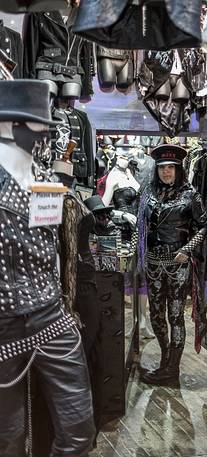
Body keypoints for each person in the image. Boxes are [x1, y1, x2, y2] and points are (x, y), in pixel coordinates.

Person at [0, 79, 95, 457]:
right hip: (4, 325)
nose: (45, 134)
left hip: (51, 315)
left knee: (78, 432)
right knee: (8, 438)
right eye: (39, 126)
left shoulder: (44, 180)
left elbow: (54, 247)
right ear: (11, 125)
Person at [137, 144, 207, 385]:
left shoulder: (191, 194)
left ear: (178, 169)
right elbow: (141, 224)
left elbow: (204, 226)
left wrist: (187, 250)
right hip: (153, 263)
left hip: (178, 263)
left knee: (175, 315)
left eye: (171, 168)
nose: (166, 172)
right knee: (157, 315)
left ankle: (172, 370)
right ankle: (165, 361)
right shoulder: (148, 192)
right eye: (162, 168)